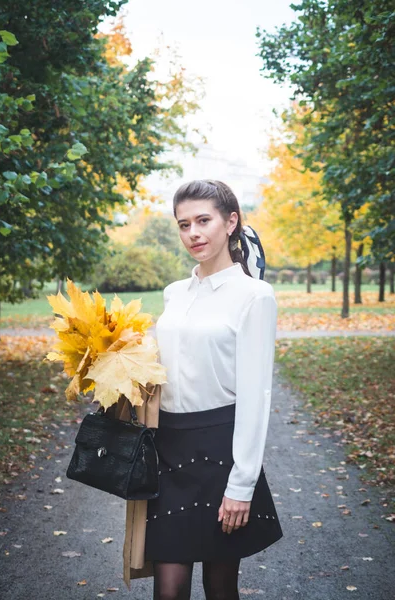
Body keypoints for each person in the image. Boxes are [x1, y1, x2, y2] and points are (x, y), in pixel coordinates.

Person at [145, 179, 283, 600]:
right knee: (168, 590)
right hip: (167, 449)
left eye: (203, 220)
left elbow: (256, 395)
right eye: (184, 224)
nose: (193, 234)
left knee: (221, 586)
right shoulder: (173, 294)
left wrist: (242, 485)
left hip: (222, 452)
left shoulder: (254, 296)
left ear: (231, 222)